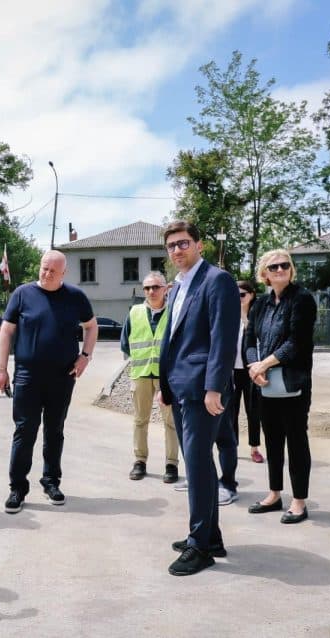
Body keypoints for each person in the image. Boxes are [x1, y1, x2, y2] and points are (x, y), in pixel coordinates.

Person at [156, 220, 239, 576]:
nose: (177, 250)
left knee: (197, 465)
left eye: (183, 243)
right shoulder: (177, 286)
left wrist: (214, 387)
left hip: (203, 390)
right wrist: (165, 385)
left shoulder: (216, 280)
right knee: (199, 463)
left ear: (199, 245)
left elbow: (223, 337)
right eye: (171, 245)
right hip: (180, 387)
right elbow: (172, 339)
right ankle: (211, 537)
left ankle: (200, 546)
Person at [0, 250, 97, 513]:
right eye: (44, 268)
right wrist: (1, 368)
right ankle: (17, 487)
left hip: (63, 376)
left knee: (55, 430)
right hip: (27, 375)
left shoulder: (75, 296)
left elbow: (91, 326)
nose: (47, 274)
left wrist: (85, 356)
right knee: (24, 430)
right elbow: (6, 331)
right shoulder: (22, 294)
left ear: (64, 272)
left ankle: (51, 482)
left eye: (53, 270)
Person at [243, 250, 316, 524]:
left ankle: (299, 501)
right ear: (265, 274)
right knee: (272, 440)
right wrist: (254, 367)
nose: (280, 269)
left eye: (285, 265)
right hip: (264, 384)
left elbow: (297, 342)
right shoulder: (260, 304)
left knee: (296, 440)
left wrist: (264, 364)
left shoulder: (302, 299)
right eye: (274, 267)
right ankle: (274, 494)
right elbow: (249, 340)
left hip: (293, 383)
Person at [119, 270, 180, 484]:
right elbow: (125, 343)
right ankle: (140, 461)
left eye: (155, 287)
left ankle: (171, 464)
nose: (151, 291)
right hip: (141, 374)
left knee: (171, 422)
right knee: (140, 420)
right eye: (147, 288)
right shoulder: (135, 312)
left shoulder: (175, 311)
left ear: (165, 289)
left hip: (167, 377)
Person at [232, 280, 263, 464]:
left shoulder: (257, 315)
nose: (239, 298)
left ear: (251, 295)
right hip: (232, 371)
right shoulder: (228, 314)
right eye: (235, 295)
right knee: (231, 411)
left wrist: (245, 315)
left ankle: (254, 448)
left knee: (253, 411)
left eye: (242, 295)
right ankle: (232, 447)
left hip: (251, 371)